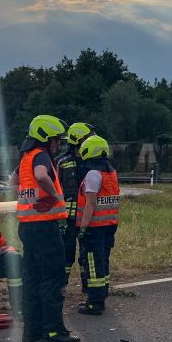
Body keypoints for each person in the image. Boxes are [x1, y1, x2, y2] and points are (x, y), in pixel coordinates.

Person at [10, 114, 80, 342]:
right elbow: (41, 176)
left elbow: (13, 183)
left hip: (27, 227)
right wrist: (54, 195)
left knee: (32, 278)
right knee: (53, 277)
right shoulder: (41, 156)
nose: (58, 144)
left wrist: (26, 200)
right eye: (55, 140)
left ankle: (33, 330)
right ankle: (54, 331)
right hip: (44, 228)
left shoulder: (25, 157)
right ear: (45, 138)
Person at [73, 135, 120, 315]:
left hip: (94, 227)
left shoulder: (93, 174)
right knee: (103, 260)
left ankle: (94, 302)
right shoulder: (110, 172)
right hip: (109, 224)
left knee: (92, 263)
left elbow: (90, 204)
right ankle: (101, 294)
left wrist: (82, 228)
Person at [56, 122, 95, 285]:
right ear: (79, 139)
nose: (92, 139)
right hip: (68, 219)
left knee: (87, 255)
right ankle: (61, 286)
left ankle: (89, 288)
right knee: (66, 254)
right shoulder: (62, 162)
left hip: (87, 217)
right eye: (89, 136)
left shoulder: (92, 162)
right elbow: (56, 191)